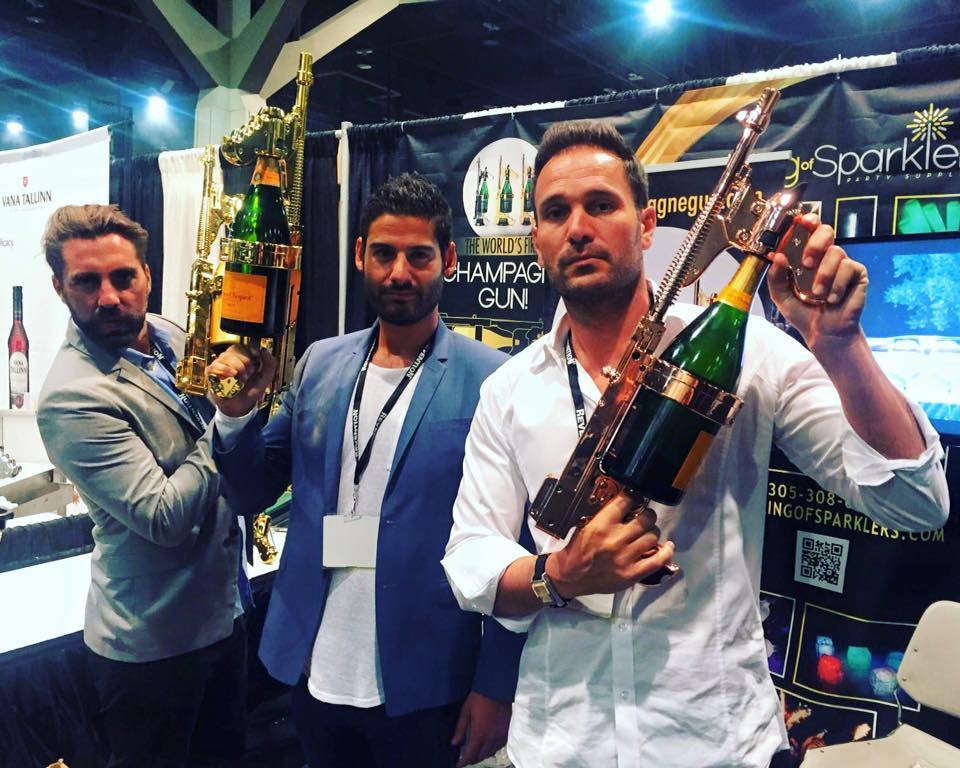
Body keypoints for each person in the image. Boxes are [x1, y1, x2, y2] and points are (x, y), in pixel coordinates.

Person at [441, 121, 950, 768]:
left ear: (647, 225)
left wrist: (842, 347)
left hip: (714, 743)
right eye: (556, 212)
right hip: (562, 742)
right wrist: (558, 576)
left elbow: (915, 502)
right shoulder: (510, 389)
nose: (578, 228)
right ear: (537, 240)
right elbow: (472, 556)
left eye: (601, 204)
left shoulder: (752, 354)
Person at [208, 173, 525, 768]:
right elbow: (252, 488)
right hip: (313, 664)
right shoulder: (320, 363)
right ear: (359, 255)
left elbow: (517, 544)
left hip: (427, 676)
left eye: (418, 255)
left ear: (449, 259)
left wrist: (496, 684)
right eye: (383, 253)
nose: (399, 272)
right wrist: (232, 417)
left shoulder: (492, 378)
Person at [36, 204, 247, 767]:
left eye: (123, 276)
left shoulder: (171, 336)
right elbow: (163, 517)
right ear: (59, 288)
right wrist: (229, 420)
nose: (109, 297)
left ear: (147, 275)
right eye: (86, 282)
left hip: (223, 613)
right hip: (152, 649)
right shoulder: (71, 396)